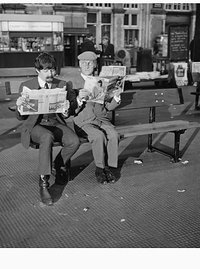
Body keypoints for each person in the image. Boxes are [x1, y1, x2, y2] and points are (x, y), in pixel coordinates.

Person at [15, 53, 80, 206]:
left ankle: (57, 165)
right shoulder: (27, 86)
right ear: (37, 71)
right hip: (35, 126)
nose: (51, 74)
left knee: (74, 141)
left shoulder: (61, 84)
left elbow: (70, 110)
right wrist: (19, 107)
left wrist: (66, 110)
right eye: (46, 70)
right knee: (46, 137)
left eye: (52, 70)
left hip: (54, 122)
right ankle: (44, 182)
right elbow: (21, 117)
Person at [73, 51, 122, 184]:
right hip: (84, 121)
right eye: (84, 63)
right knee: (98, 136)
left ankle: (111, 167)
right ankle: (100, 168)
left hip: (101, 119)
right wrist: (78, 99)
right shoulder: (72, 83)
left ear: (95, 65)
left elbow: (107, 107)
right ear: (79, 65)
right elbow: (71, 110)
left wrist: (116, 97)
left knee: (113, 134)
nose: (87, 65)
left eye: (90, 63)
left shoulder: (101, 81)